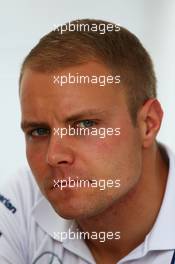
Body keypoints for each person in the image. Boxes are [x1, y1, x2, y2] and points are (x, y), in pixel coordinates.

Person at [0, 18, 174, 264]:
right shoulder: (21, 200)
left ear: (149, 124)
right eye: (39, 131)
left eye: (85, 125)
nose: (53, 156)